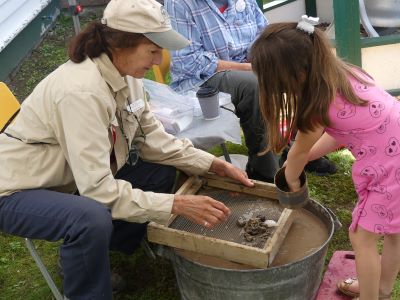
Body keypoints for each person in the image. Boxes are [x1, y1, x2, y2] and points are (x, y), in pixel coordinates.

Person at [0, 0, 254, 299]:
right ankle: (85, 278)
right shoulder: (80, 92)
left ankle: (97, 251)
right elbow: (97, 190)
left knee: (160, 171)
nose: (160, 61)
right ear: (122, 43)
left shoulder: (127, 76)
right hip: (19, 189)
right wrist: (175, 205)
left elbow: (154, 141)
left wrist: (212, 165)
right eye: (153, 50)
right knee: (89, 218)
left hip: (72, 175)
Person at [250, 18, 400, 300]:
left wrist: (290, 178)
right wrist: (306, 157)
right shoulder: (347, 75)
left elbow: (297, 153)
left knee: (362, 237)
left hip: (390, 170)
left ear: (294, 75)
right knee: (395, 232)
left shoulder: (316, 108)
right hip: (396, 153)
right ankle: (381, 288)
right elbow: (345, 131)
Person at [164, 0, 337, 182]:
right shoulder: (179, 3)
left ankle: (298, 151)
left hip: (249, 68)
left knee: (296, 68)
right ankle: (264, 170)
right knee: (256, 84)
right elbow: (189, 60)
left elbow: (263, 36)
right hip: (202, 79)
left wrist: (277, 59)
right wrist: (252, 68)